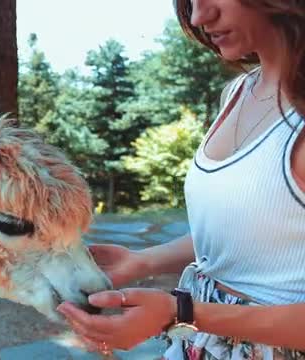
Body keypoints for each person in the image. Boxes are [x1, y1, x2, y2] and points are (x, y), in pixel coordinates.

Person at [57, 0, 305, 359]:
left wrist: (183, 313)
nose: (198, 17)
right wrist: (143, 261)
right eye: (189, 2)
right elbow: (252, 232)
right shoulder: (238, 92)